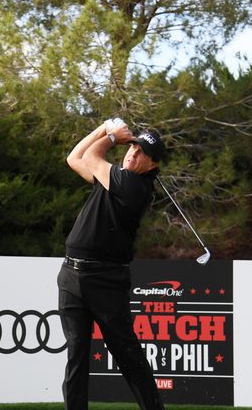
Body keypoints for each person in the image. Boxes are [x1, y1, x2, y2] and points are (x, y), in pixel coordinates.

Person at [58, 119, 166, 410]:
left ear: (153, 165)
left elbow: (93, 156)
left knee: (127, 354)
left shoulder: (134, 185)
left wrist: (111, 136)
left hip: (105, 280)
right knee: (76, 353)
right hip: (71, 275)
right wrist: (102, 128)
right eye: (132, 145)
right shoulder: (112, 178)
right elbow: (74, 158)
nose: (132, 153)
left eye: (141, 151)